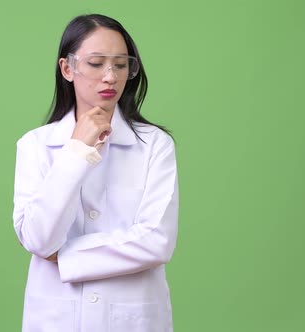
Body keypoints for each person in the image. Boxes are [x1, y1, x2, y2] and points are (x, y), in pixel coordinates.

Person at [12, 13, 179, 332]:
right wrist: (75, 152)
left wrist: (65, 257)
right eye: (96, 63)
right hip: (56, 318)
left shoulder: (155, 145)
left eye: (120, 65)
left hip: (133, 319)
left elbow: (157, 242)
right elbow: (38, 237)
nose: (110, 77)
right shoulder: (35, 145)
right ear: (67, 68)